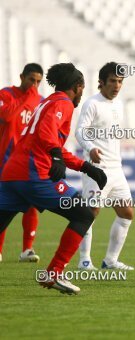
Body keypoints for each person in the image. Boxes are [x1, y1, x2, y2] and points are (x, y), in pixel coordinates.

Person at [0, 63, 107, 295]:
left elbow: (50, 140)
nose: (82, 94)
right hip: (33, 174)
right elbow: (48, 132)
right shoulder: (63, 103)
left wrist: (85, 166)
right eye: (82, 88)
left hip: (11, 173)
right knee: (83, 214)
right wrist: (56, 156)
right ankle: (54, 272)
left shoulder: (46, 101)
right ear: (77, 87)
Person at [75, 62, 134, 271]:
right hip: (96, 169)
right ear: (101, 82)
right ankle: (84, 260)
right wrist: (90, 148)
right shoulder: (92, 104)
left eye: (120, 81)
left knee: (127, 213)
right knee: (90, 213)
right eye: (112, 81)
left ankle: (110, 260)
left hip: (116, 169)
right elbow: (80, 131)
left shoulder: (119, 104)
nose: (117, 86)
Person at [0, 63, 44, 263]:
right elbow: (7, 116)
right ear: (21, 77)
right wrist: (27, 98)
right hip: (5, 160)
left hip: (28, 162)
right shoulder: (6, 94)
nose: (34, 85)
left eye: (38, 81)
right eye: (31, 80)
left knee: (32, 203)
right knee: (4, 205)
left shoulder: (41, 102)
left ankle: (27, 250)